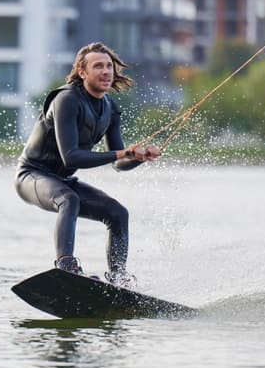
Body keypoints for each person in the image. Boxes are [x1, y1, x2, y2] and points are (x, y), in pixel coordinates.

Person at [15, 42, 160, 287]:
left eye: (108, 66)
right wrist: (121, 153)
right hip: (32, 176)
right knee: (69, 199)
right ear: (82, 72)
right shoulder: (66, 100)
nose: (106, 71)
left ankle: (118, 280)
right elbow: (71, 157)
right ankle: (66, 266)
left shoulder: (110, 108)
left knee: (117, 213)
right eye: (98, 66)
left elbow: (118, 163)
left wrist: (137, 158)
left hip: (64, 181)